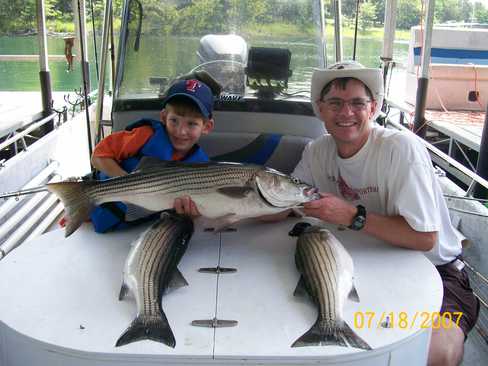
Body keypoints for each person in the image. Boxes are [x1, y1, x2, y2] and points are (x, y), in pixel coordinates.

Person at [287, 60, 478, 366]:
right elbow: (287, 203)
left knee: (439, 352)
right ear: (320, 109)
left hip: (438, 272)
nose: (346, 113)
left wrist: (352, 216)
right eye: (335, 103)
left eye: (357, 103)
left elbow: (426, 239)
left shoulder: (400, 149)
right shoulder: (316, 151)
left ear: (373, 107)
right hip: (359, 263)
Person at [89, 78, 214, 232]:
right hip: (99, 216)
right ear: (163, 117)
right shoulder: (144, 136)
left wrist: (191, 214)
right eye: (174, 120)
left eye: (192, 124)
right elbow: (98, 156)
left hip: (144, 229)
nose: (181, 131)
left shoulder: (202, 166)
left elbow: (197, 210)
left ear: (207, 127)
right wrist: (127, 183)